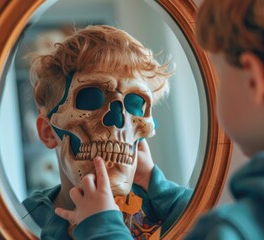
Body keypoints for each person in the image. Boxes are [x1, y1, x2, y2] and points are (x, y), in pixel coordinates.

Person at [54, 0, 264, 239]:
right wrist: (154, 183)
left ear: (254, 80)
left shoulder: (233, 231)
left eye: (219, 70)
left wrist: (103, 228)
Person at [22, 25, 192, 240]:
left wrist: (154, 184)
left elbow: (208, 218)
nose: (116, 122)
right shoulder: (27, 219)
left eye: (134, 104)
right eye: (91, 99)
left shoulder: (159, 206)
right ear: (48, 132)